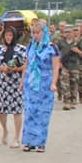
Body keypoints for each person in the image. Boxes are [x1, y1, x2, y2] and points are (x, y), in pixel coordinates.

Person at [20, 21, 61, 152]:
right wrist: (22, 81)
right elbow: (26, 64)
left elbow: (55, 67)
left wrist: (54, 83)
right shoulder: (31, 46)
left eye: (38, 33)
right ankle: (28, 141)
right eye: (34, 33)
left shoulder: (51, 47)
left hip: (45, 82)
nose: (36, 35)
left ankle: (40, 142)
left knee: (42, 113)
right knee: (30, 111)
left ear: (44, 33)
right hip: (31, 82)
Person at [0, 26, 26, 148]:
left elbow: (27, 65)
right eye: (6, 35)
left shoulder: (20, 49)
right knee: (2, 110)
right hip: (4, 83)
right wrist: (2, 69)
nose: (8, 38)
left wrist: (16, 69)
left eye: (10, 35)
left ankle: (16, 137)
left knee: (17, 110)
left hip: (16, 83)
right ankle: (5, 130)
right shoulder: (0, 49)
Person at [56, 25, 82, 110]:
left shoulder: (77, 42)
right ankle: (67, 101)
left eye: (69, 32)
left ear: (73, 33)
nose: (68, 34)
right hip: (64, 65)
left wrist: (77, 51)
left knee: (74, 83)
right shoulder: (60, 42)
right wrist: (58, 62)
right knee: (64, 84)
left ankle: (73, 100)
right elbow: (56, 53)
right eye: (66, 32)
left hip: (74, 65)